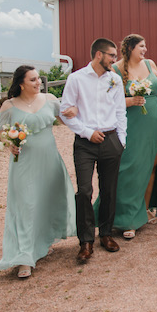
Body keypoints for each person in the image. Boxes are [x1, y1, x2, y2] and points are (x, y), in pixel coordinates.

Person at [92, 34, 157, 239]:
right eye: (141, 46)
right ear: (129, 48)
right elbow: (106, 100)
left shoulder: (150, 63)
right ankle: (121, 216)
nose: (145, 49)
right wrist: (130, 101)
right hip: (131, 124)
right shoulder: (116, 69)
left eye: (145, 45)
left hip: (156, 122)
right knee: (127, 168)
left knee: (152, 166)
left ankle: (143, 212)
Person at [0, 66, 76, 279]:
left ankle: (42, 242)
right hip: (23, 163)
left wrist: (73, 112)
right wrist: (9, 144)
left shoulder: (50, 99)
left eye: (38, 79)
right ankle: (24, 257)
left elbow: (66, 118)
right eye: (32, 80)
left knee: (46, 200)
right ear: (21, 83)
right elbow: (2, 135)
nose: (38, 82)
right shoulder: (9, 106)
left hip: (49, 159)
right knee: (25, 205)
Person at [60, 38, 127, 262]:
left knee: (109, 190)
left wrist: (121, 140)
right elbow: (64, 112)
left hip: (111, 140)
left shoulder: (115, 79)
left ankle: (106, 234)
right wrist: (88, 132)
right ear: (99, 55)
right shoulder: (76, 78)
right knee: (85, 191)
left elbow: (120, 112)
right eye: (111, 56)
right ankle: (86, 241)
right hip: (85, 143)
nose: (114, 59)